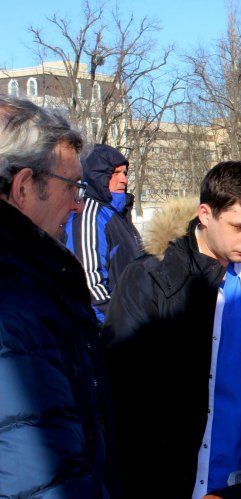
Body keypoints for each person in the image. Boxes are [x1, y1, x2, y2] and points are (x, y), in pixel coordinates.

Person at [101, 162, 241, 498]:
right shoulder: (150, 278)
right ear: (205, 214)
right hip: (184, 478)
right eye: (239, 226)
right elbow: (125, 397)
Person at [0, 96, 117, 497]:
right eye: (72, 186)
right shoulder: (19, 300)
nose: (78, 202)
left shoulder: (36, 278)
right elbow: (40, 475)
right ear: (23, 187)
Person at [65, 143, 144, 323]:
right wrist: (118, 323)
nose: (123, 179)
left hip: (133, 324)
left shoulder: (119, 214)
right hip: (109, 330)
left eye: (124, 173)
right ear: (97, 176)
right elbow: (89, 284)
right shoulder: (89, 214)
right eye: (115, 173)